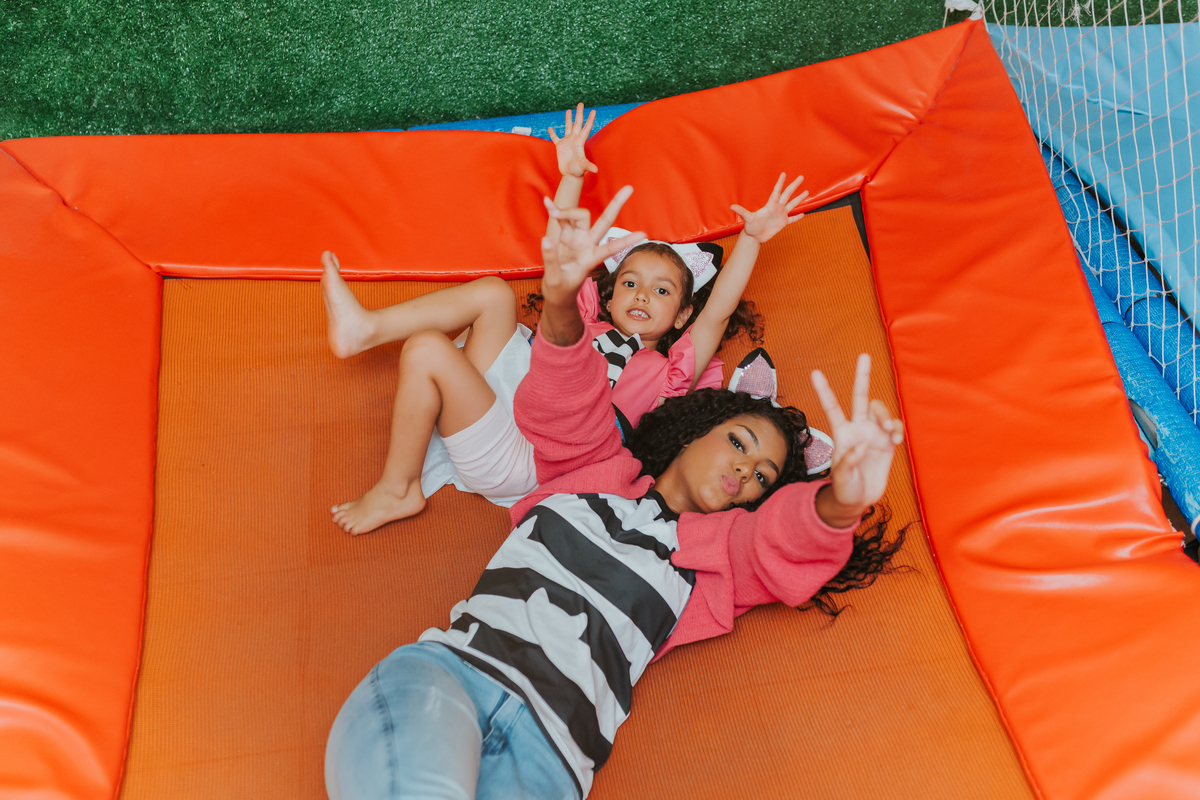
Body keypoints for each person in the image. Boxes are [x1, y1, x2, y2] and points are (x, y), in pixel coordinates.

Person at [323, 188, 906, 800]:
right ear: (695, 427)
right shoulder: (599, 466)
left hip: (551, 752)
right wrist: (559, 297)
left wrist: (842, 500)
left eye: (762, 477)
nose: (746, 471)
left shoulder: (713, 566)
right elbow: (567, 393)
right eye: (738, 443)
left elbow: (778, 542)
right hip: (452, 681)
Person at [321, 104, 807, 535]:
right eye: (631, 284)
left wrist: (753, 238)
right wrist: (571, 176)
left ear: (681, 315)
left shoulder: (670, 374)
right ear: (610, 297)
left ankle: (397, 487)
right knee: (493, 293)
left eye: (661, 291)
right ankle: (369, 329)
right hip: (520, 390)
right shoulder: (580, 324)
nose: (641, 295)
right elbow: (561, 258)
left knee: (428, 348)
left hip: (539, 450)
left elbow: (718, 311)